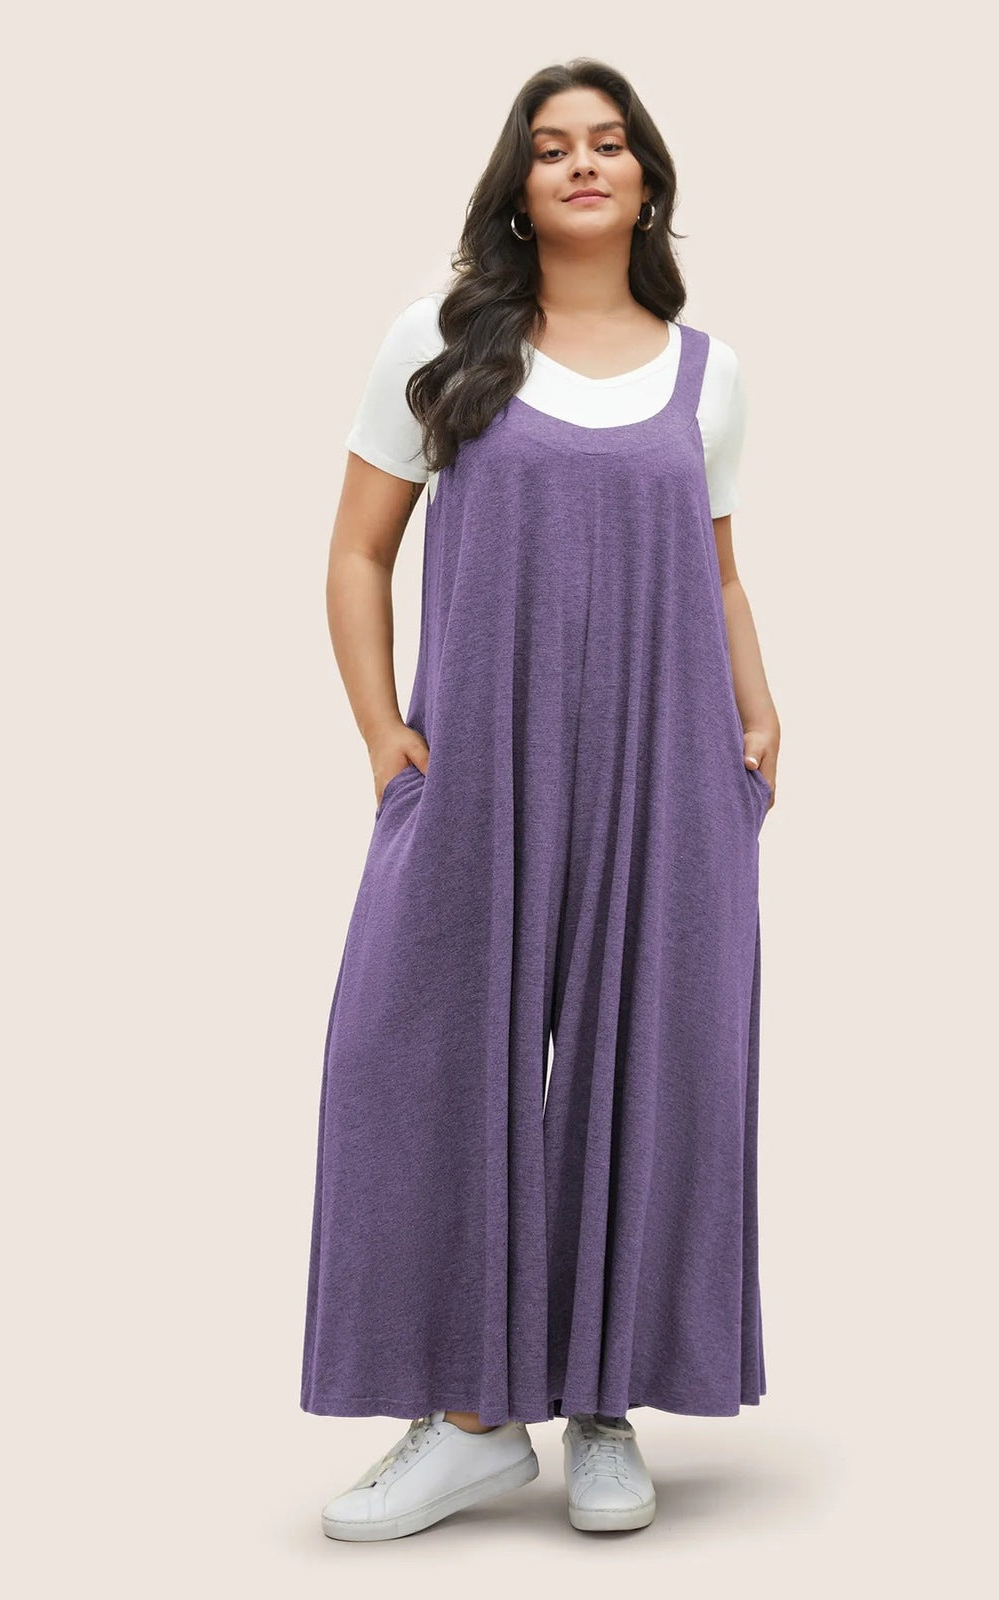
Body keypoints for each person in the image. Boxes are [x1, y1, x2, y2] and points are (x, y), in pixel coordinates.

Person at [300, 57, 781, 1542]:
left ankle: (605, 1405)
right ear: (519, 182)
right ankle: (468, 1421)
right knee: (423, 1062)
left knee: (652, 1072)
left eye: (610, 143)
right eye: (555, 144)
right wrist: (383, 733)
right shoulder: (443, 342)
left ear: (646, 181)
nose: (584, 162)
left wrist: (760, 712)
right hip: (478, 762)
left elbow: (714, 571)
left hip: (668, 764)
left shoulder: (707, 374)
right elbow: (358, 551)